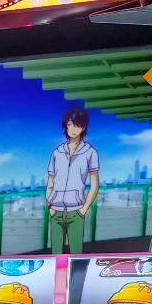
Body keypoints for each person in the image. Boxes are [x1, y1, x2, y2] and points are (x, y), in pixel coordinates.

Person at [46, 106, 99, 254]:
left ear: (83, 127)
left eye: (77, 125)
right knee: (55, 255)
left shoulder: (90, 153)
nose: (73, 129)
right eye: (70, 124)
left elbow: (94, 185)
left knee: (76, 255)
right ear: (66, 126)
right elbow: (50, 182)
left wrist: (83, 210)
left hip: (76, 212)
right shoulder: (57, 153)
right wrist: (50, 207)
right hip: (56, 211)